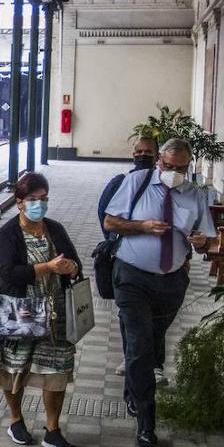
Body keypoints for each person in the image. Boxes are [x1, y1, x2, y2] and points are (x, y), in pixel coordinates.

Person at [103, 138, 215, 447]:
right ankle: (146, 422)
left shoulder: (195, 194)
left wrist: (200, 242)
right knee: (140, 345)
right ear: (159, 162)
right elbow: (110, 221)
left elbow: (207, 240)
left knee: (149, 344)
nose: (174, 172)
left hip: (171, 281)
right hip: (132, 277)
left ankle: (133, 391)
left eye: (181, 168)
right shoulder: (136, 182)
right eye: (168, 166)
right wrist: (142, 227)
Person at [0, 172, 82, 447]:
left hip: (55, 311)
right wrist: (47, 268)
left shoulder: (55, 229)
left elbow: (74, 263)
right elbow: (8, 273)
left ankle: (53, 430)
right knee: (15, 367)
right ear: (19, 203)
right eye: (32, 199)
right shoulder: (8, 234)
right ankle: (16, 420)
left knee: (57, 369)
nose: (39, 204)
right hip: (20, 308)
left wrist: (70, 268)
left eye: (43, 199)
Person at [96, 136, 168, 385]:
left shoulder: (166, 185)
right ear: (132, 154)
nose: (143, 155)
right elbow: (103, 213)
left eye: (148, 151)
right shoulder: (121, 182)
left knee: (157, 315)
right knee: (130, 315)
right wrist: (114, 241)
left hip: (162, 265)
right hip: (126, 262)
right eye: (139, 151)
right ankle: (132, 358)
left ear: (158, 156)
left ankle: (156, 363)